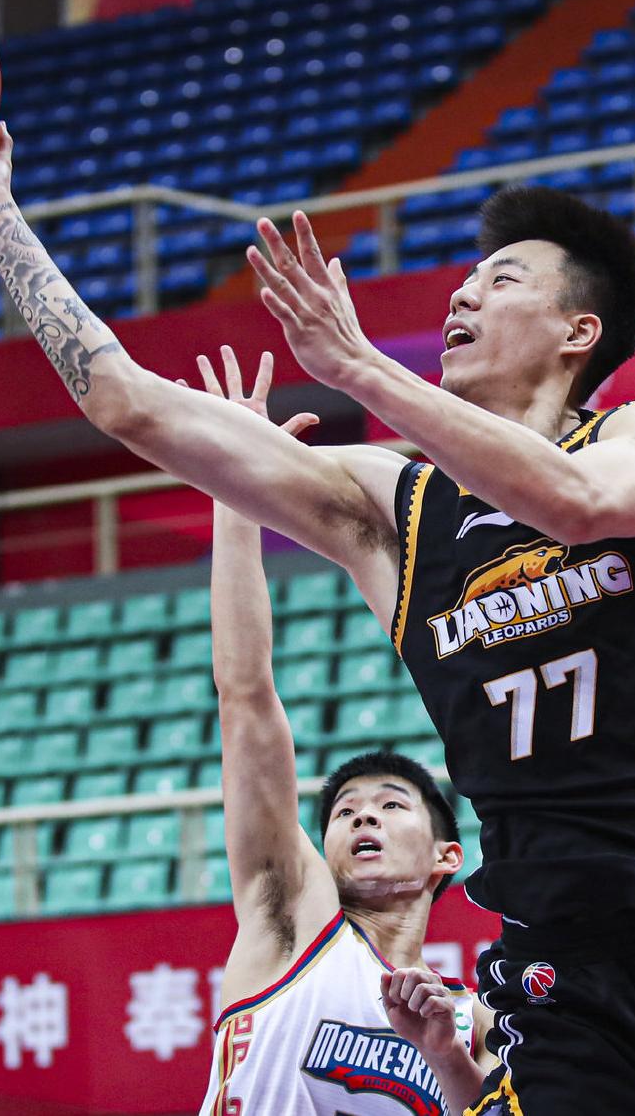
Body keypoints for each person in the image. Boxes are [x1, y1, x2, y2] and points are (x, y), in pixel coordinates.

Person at [0, 125, 635, 1114]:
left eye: (502, 280)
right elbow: (130, 406)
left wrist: (358, 367)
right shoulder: (392, 510)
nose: (463, 295)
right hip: (569, 980)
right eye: (463, 280)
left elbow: (575, 504)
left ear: (578, 332)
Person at [190, 349, 492, 1115]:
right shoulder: (292, 919)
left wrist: (449, 1057)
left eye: (391, 804)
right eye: (345, 811)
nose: (361, 817)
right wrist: (235, 492)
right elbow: (245, 697)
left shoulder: (470, 1022)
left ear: (446, 856)